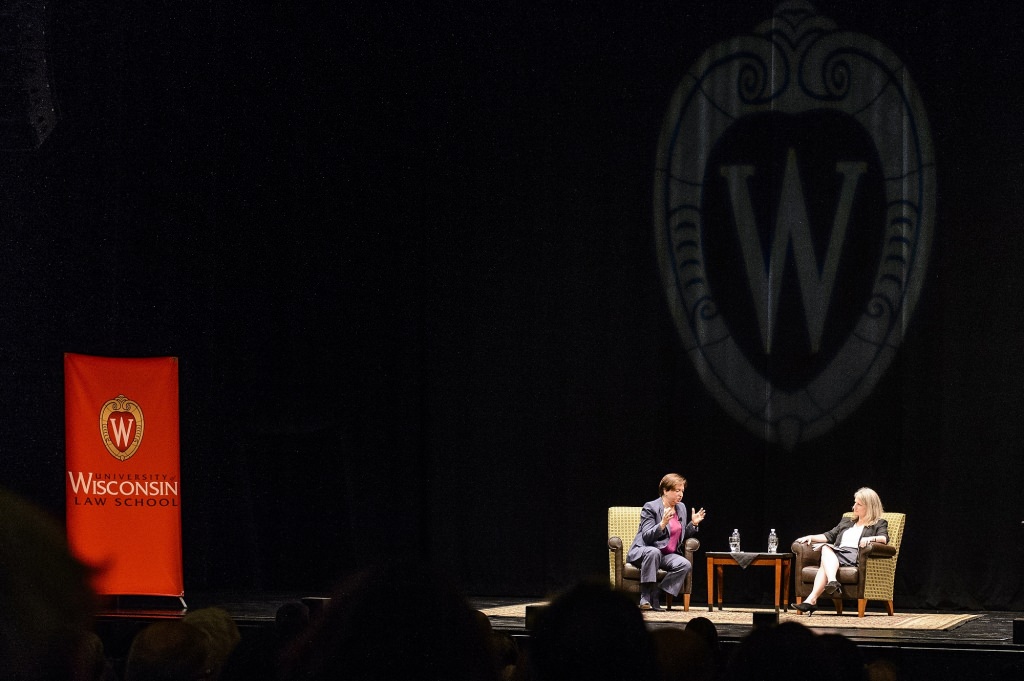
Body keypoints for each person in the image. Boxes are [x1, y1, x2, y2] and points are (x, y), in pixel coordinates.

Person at [791, 487, 889, 614]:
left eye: (859, 504)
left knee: (825, 554)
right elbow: (829, 536)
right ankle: (820, 593)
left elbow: (884, 539)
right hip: (838, 553)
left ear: (870, 506)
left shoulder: (879, 523)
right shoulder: (847, 521)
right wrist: (811, 537)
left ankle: (815, 597)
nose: (854, 507)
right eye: (855, 503)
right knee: (826, 547)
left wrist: (870, 539)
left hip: (855, 555)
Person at [626, 473, 706, 610]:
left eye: (682, 491)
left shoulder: (681, 507)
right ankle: (645, 597)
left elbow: (678, 535)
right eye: (677, 491)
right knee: (654, 551)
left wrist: (693, 524)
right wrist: (662, 524)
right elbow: (646, 536)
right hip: (645, 551)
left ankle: (657, 593)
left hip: (666, 555)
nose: (680, 494)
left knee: (685, 564)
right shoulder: (650, 507)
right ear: (665, 491)